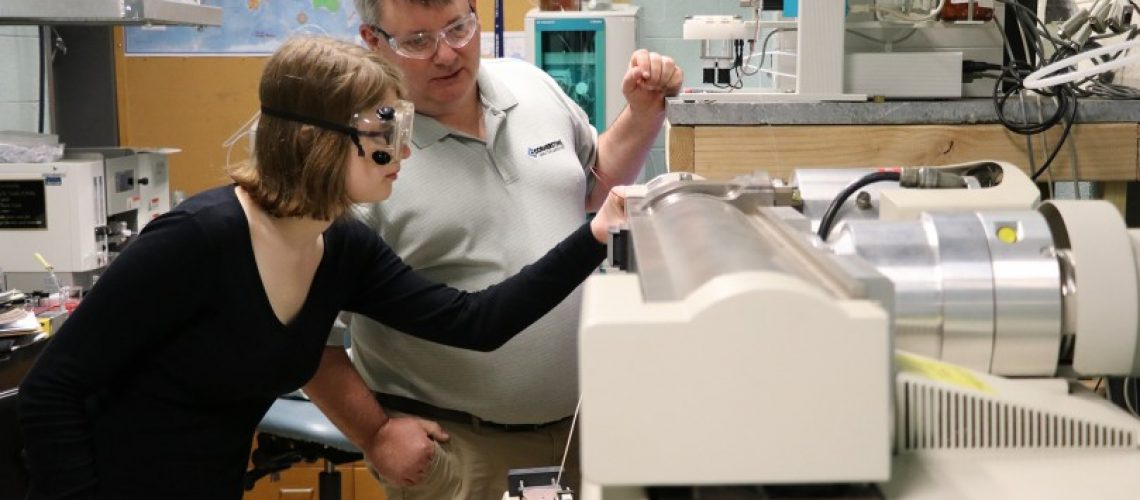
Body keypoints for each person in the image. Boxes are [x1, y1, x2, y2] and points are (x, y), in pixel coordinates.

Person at [17, 35, 628, 500]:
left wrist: (595, 235)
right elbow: (51, 391)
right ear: (319, 139)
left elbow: (476, 322)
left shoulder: (338, 246)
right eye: (386, 130)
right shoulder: (199, 239)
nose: (405, 152)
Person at [302, 0, 683, 498]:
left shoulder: (531, 85)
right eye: (418, 41)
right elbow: (310, 338)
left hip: (587, 428)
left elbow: (592, 186)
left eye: (459, 28)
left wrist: (642, 112)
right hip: (461, 451)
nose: (447, 55)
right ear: (373, 42)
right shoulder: (365, 159)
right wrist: (374, 433)